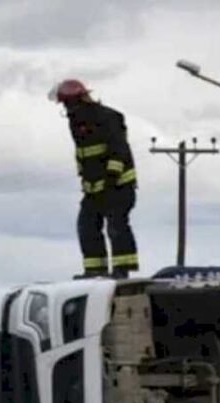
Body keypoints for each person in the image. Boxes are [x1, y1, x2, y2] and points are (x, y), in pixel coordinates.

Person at [50, 78, 139, 279]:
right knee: (87, 226)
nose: (66, 108)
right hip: (94, 189)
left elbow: (118, 150)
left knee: (116, 225)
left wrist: (111, 177)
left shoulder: (106, 117)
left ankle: (121, 270)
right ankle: (94, 270)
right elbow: (84, 155)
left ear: (77, 100)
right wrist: (87, 183)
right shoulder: (76, 122)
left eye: (66, 103)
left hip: (118, 185)